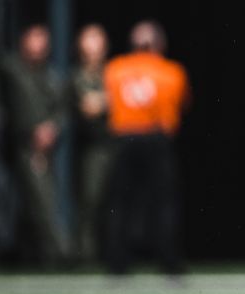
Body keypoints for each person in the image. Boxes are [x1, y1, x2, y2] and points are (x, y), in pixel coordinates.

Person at [102, 21, 190, 277]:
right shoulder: (171, 72)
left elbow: (107, 104)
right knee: (164, 203)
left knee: (121, 203)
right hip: (156, 138)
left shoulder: (115, 69)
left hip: (124, 139)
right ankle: (169, 262)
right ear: (159, 45)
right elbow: (182, 104)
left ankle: (117, 262)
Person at [0, 23, 72, 267]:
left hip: (43, 147)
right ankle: (56, 253)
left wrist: (53, 128)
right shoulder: (14, 69)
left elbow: (61, 110)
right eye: (34, 39)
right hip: (19, 143)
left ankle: (53, 254)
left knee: (42, 198)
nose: (39, 46)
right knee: (28, 200)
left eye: (43, 41)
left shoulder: (51, 76)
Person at [73, 24, 112, 263]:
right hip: (93, 148)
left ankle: (115, 252)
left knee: (116, 201)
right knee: (91, 199)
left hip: (115, 144)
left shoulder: (111, 72)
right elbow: (89, 107)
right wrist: (113, 98)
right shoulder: (79, 76)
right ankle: (86, 253)